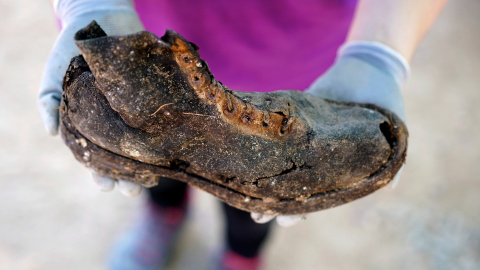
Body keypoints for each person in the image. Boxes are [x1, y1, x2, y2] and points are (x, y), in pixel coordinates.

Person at [38, 0, 448, 269]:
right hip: (141, 37)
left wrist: (378, 52)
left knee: (260, 186)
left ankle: (240, 256)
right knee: (148, 148)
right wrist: (91, 3)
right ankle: (163, 216)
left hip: (291, 52)